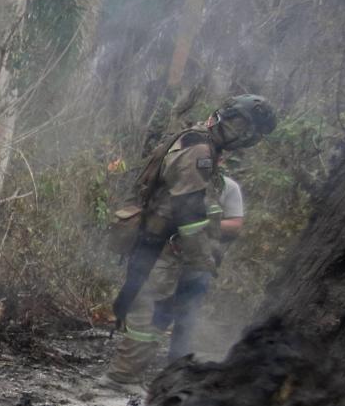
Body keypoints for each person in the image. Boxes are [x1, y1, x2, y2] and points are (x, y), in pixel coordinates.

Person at [107, 94, 276, 388]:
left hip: (163, 246)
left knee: (155, 313)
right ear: (230, 118)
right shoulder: (198, 150)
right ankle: (119, 378)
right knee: (146, 317)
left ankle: (126, 374)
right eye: (245, 128)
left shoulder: (199, 143)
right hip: (161, 246)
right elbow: (190, 213)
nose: (246, 138)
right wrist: (202, 259)